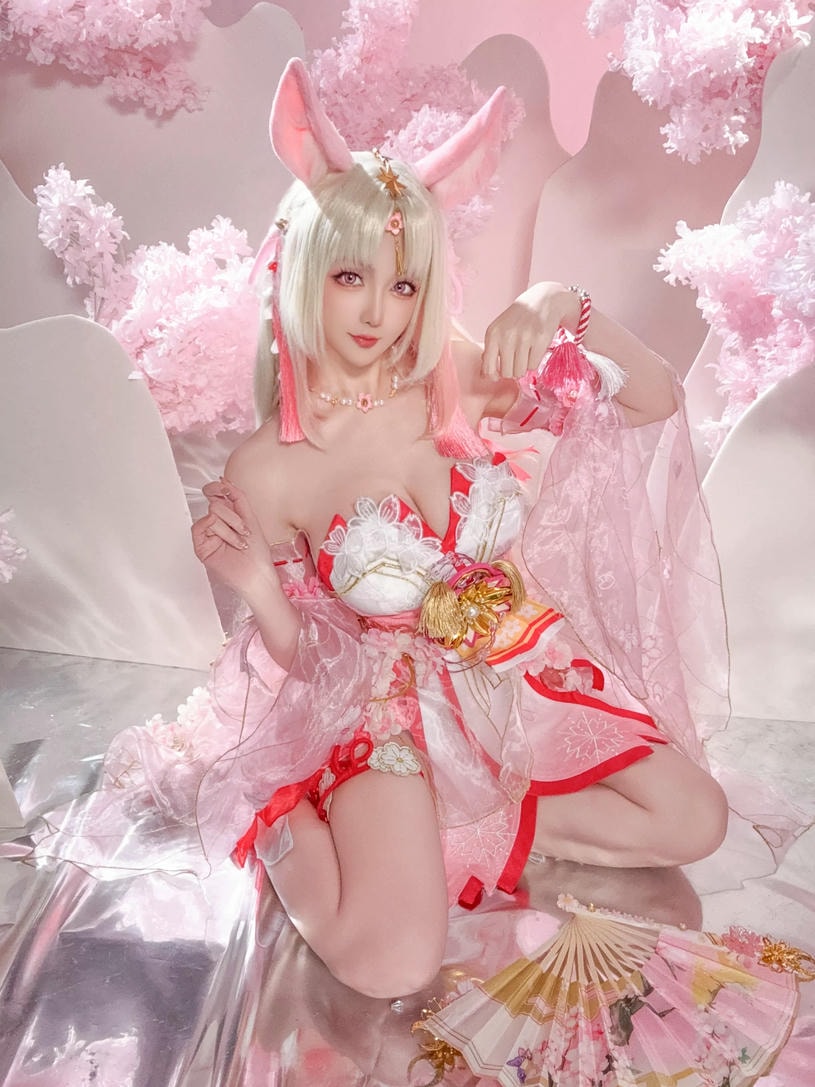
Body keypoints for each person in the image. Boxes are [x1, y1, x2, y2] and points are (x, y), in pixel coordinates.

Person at [190, 58, 730, 1004]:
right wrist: (260, 590)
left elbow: (652, 399)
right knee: (390, 963)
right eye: (350, 277)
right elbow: (302, 665)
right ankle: (282, 819)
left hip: (508, 677)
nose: (376, 312)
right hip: (375, 712)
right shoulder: (268, 466)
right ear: (304, 270)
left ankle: (472, 823)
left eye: (404, 286)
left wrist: (562, 303)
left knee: (696, 819)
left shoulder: (455, 373)